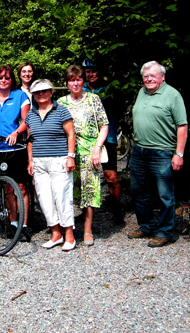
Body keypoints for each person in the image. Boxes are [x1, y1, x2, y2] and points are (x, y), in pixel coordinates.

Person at [127, 61, 187, 247]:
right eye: (145, 76)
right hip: (139, 151)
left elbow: (182, 126)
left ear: (162, 76)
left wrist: (179, 153)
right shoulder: (142, 92)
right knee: (139, 191)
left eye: (153, 75)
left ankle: (165, 231)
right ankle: (146, 225)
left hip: (162, 152)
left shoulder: (172, 95)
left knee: (165, 195)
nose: (149, 79)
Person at [58, 65, 108, 246]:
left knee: (90, 190)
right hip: (68, 153)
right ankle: (68, 228)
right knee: (68, 192)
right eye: (72, 80)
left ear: (83, 81)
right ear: (67, 83)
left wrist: (97, 148)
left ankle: (88, 229)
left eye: (78, 79)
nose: (76, 83)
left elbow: (104, 126)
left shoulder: (93, 99)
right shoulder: (61, 102)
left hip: (89, 152)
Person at [26, 79, 77, 251]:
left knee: (62, 196)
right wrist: (30, 160)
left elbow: (71, 134)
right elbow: (30, 140)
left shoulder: (61, 110)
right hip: (39, 162)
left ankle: (69, 235)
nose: (41, 94)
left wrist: (71, 157)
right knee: (45, 199)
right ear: (33, 94)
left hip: (59, 159)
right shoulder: (30, 115)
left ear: (51, 92)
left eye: (45, 91)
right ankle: (56, 233)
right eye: (38, 92)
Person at [0, 65, 31, 240]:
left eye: (7, 78)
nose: (3, 81)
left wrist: (16, 133)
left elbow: (26, 121)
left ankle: (25, 225)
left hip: (17, 147)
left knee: (21, 188)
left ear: (12, 80)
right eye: (0, 78)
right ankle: (13, 224)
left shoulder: (20, 96)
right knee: (7, 189)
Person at [81, 59, 123, 224]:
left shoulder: (109, 90)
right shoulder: (81, 89)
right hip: (85, 138)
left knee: (110, 176)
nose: (90, 74)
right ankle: (85, 213)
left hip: (108, 137)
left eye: (94, 71)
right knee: (84, 177)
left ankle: (117, 210)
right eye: (87, 71)